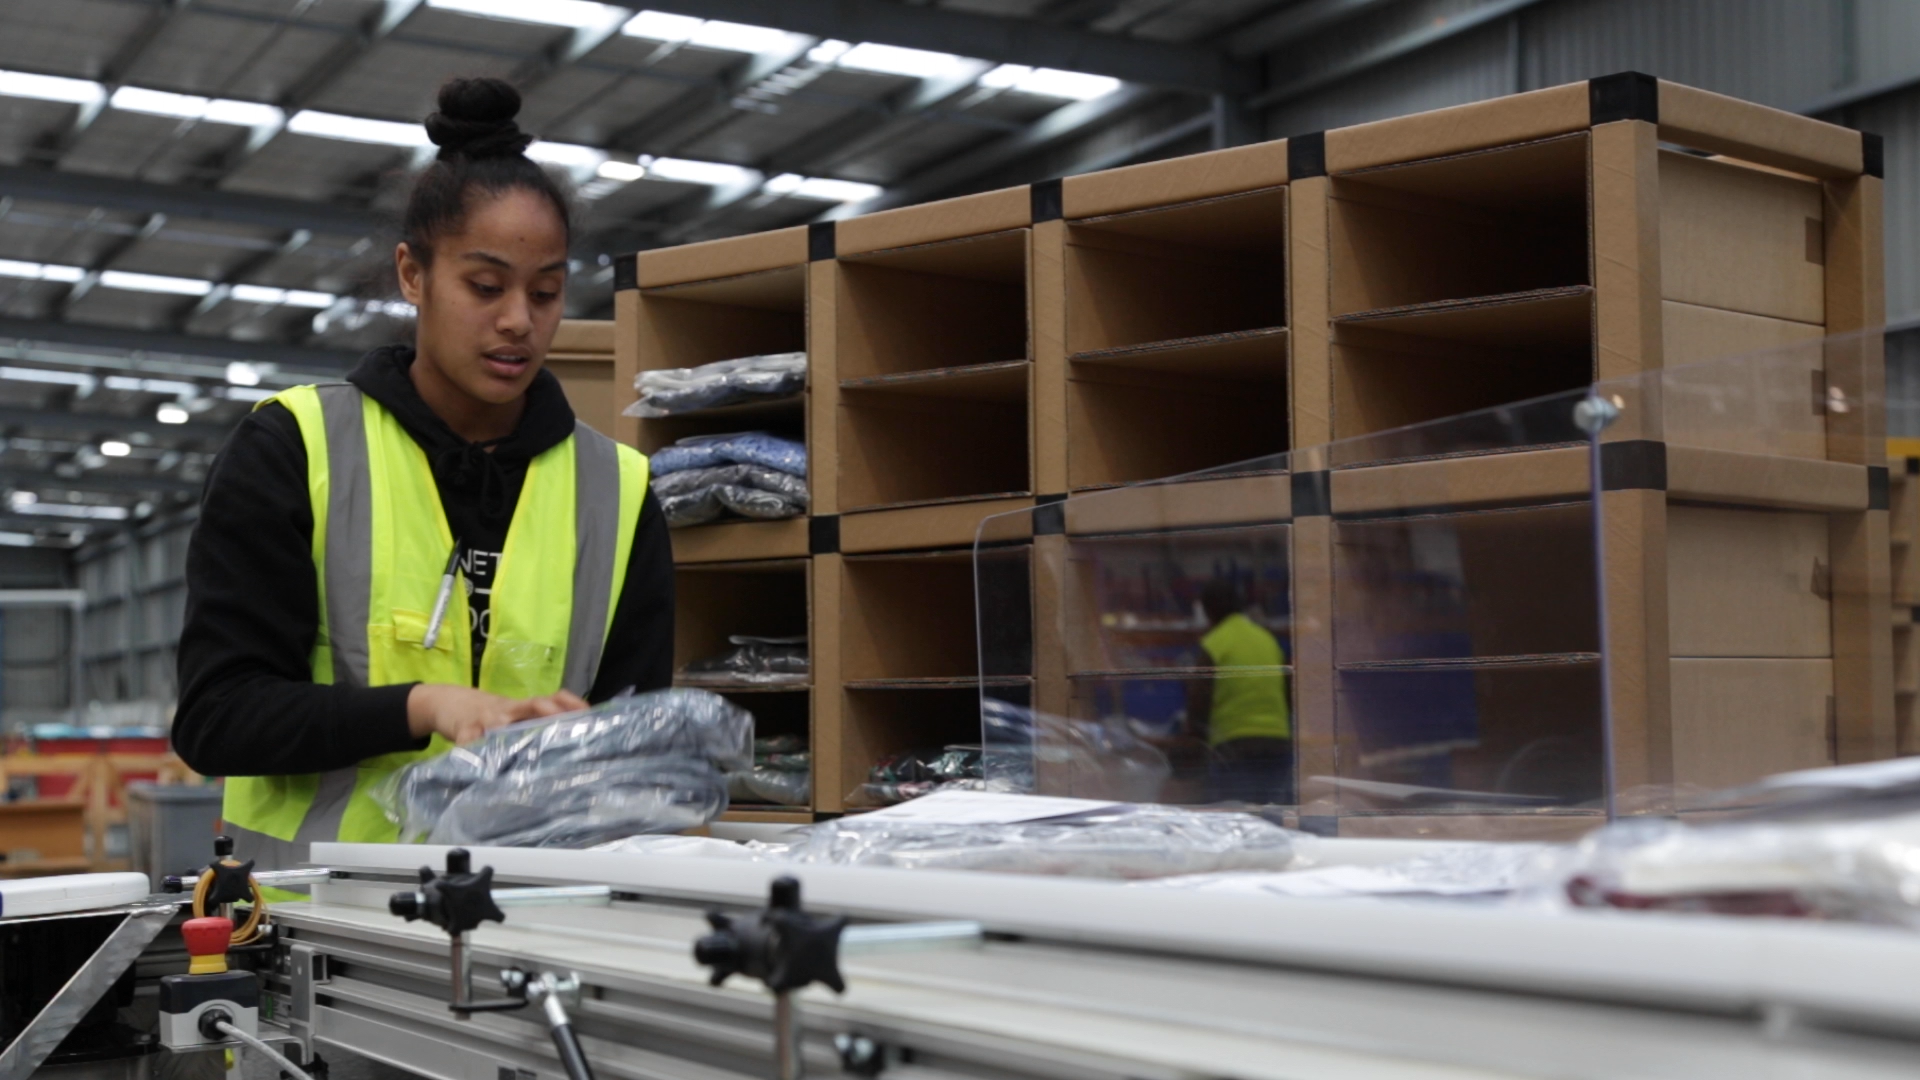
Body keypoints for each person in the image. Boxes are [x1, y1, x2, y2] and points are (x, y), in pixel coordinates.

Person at [171, 77, 674, 874]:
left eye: (545, 292)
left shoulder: (617, 492)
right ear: (413, 275)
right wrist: (425, 707)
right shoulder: (296, 448)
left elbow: (640, 748)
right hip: (316, 933)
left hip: (534, 922)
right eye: (485, 287)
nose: (519, 319)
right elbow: (218, 719)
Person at [1186, 579, 1292, 804]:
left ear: (1208, 610)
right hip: (1276, 742)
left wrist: (1192, 740)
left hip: (1234, 745)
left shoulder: (1215, 643)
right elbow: (1289, 693)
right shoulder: (1268, 640)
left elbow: (1199, 701)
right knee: (1273, 814)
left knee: (1235, 818)